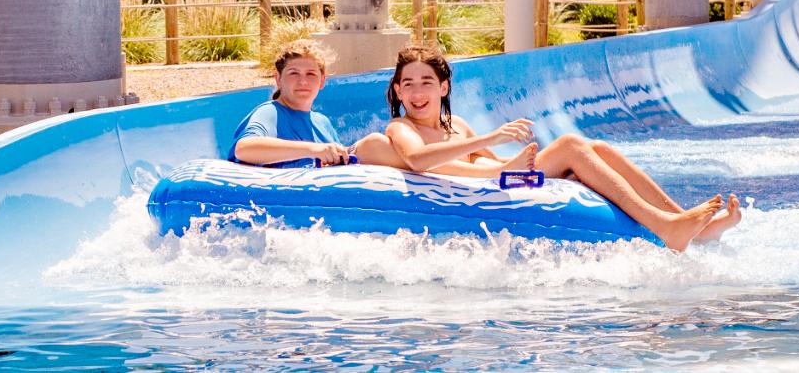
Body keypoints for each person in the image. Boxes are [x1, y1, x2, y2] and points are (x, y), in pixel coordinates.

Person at [377, 45, 743, 251]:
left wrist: (511, 160)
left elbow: (494, 165)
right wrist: (490, 139)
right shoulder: (401, 127)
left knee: (597, 147)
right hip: (481, 193)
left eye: (427, 82)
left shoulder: (457, 126)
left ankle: (689, 223)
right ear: (396, 91)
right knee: (569, 144)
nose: (417, 92)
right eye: (407, 84)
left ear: (443, 89)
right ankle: (664, 226)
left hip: (497, 181)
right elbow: (416, 158)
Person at [229, 39, 396, 168]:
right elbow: (244, 149)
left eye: (311, 74)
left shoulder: (322, 122)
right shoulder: (270, 113)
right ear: (278, 79)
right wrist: (313, 150)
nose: (303, 81)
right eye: (294, 73)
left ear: (322, 81)